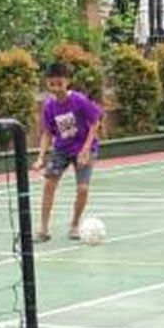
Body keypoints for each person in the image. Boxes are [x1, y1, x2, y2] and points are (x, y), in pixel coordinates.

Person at [31, 62, 103, 242]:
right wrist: (40, 157)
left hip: (85, 148)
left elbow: (95, 123)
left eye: (59, 83)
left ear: (67, 81)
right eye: (51, 84)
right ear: (47, 83)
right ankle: (44, 229)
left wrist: (86, 150)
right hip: (62, 149)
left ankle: (74, 225)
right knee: (48, 184)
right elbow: (47, 133)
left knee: (82, 188)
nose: (56, 88)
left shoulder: (79, 100)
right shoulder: (48, 106)